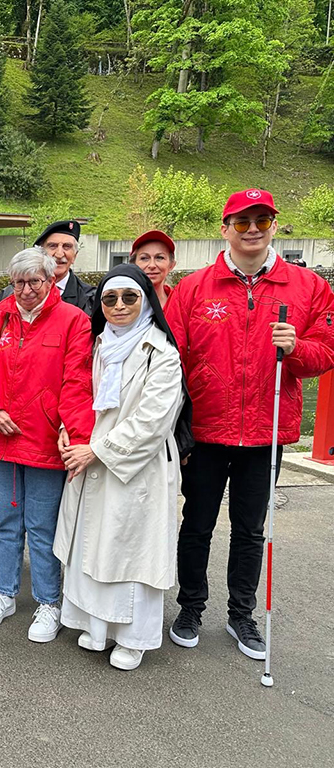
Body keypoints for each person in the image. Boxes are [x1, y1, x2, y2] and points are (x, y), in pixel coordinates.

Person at [165, 188, 334, 659]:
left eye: (262, 219)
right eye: (242, 221)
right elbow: (172, 358)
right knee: (195, 524)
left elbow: (325, 354)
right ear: (225, 229)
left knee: (250, 528)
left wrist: (296, 347)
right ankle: (191, 606)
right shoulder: (195, 288)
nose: (253, 229)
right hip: (206, 428)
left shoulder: (308, 287)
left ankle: (241, 614)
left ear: (274, 225)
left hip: (266, 432)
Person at [54, 264, 189, 671]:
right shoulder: (96, 346)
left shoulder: (161, 353)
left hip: (137, 466)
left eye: (130, 297)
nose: (119, 306)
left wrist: (96, 450)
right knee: (94, 547)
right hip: (91, 458)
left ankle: (134, 639)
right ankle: (97, 630)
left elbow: (152, 420)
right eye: (109, 298)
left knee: (132, 554)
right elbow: (77, 393)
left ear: (145, 300)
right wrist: (67, 429)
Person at [0, 247, 94, 642]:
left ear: (51, 281)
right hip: (0, 439)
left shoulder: (73, 321)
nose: (27, 289)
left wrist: (74, 429)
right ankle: (5, 593)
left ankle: (49, 601)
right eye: (19, 282)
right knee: (8, 523)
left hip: (45, 441)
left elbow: (77, 382)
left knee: (42, 527)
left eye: (35, 281)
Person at [0, 221, 96, 316]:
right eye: (52, 246)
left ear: (75, 256)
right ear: (40, 253)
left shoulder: (90, 299)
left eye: (67, 247)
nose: (59, 254)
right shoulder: (9, 294)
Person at [129, 230, 177, 308]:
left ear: (171, 265)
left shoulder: (181, 304)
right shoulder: (120, 304)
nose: (152, 265)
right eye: (144, 258)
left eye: (159, 257)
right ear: (133, 265)